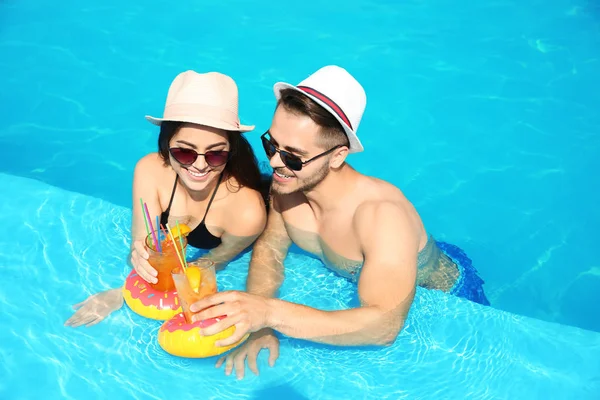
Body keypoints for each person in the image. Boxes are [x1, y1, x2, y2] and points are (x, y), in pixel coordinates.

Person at [187, 65, 490, 378]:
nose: (276, 162)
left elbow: (384, 326)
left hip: (442, 294)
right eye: (271, 145)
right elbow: (271, 248)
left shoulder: (381, 217)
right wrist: (260, 325)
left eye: (293, 156)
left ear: (337, 156)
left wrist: (270, 313)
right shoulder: (289, 186)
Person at [65, 70, 268, 328]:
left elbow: (212, 264)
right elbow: (139, 248)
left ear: (231, 151)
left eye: (216, 154)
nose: (200, 166)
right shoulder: (150, 171)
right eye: (184, 152)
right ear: (165, 145)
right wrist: (125, 287)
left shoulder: (246, 211)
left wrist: (134, 293)